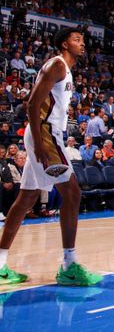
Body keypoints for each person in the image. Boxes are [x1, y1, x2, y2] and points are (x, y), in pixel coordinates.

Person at [0, 28, 102, 286]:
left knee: (27, 198)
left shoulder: (65, 71)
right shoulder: (56, 65)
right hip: (45, 135)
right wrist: (40, 145)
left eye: (83, 40)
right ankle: (69, 266)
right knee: (72, 193)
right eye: (77, 39)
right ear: (64, 44)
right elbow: (32, 104)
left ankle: (0, 264)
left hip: (46, 134)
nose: (82, 43)